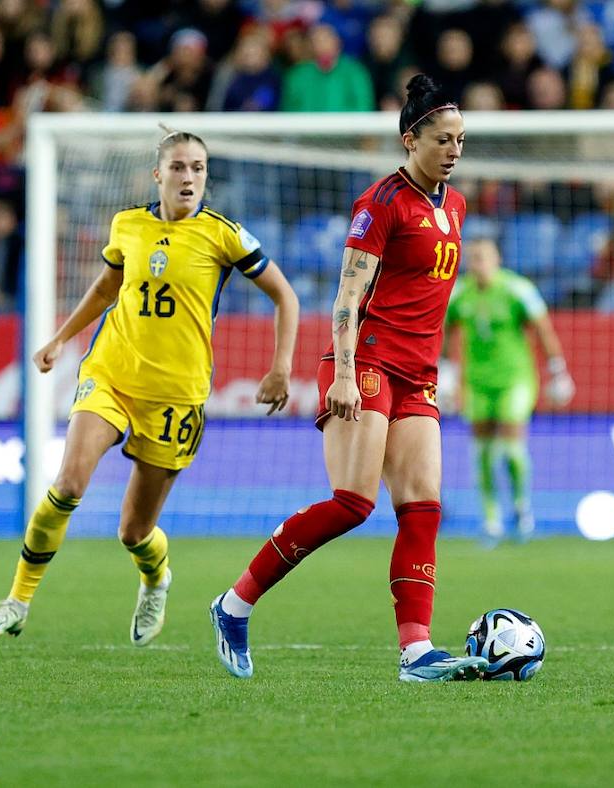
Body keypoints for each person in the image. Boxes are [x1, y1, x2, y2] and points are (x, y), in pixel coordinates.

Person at [0, 130, 299, 648]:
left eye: (198, 168)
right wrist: (60, 338)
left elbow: (285, 296)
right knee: (69, 484)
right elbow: (106, 288)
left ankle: (154, 579)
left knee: (133, 532)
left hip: (176, 396)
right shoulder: (128, 224)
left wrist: (280, 367)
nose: (188, 177)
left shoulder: (225, 235)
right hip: (112, 373)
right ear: (158, 174)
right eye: (179, 167)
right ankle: (16, 602)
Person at [208, 75, 488, 683]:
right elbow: (348, 292)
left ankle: (416, 652)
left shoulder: (456, 206)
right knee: (354, 504)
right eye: (444, 139)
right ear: (411, 139)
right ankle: (234, 605)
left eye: (462, 139)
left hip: (419, 374)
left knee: (422, 509)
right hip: (366, 361)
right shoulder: (380, 203)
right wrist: (341, 367)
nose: (455, 150)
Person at [442, 236, 574, 544]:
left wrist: (558, 371)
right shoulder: (460, 294)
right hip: (477, 384)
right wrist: (447, 374)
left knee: (512, 450)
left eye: (483, 258)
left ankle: (521, 506)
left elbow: (543, 329)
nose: (478, 265)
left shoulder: (518, 290)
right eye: (473, 259)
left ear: (497, 260)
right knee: (484, 454)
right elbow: (446, 332)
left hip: (515, 380)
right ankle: (491, 519)